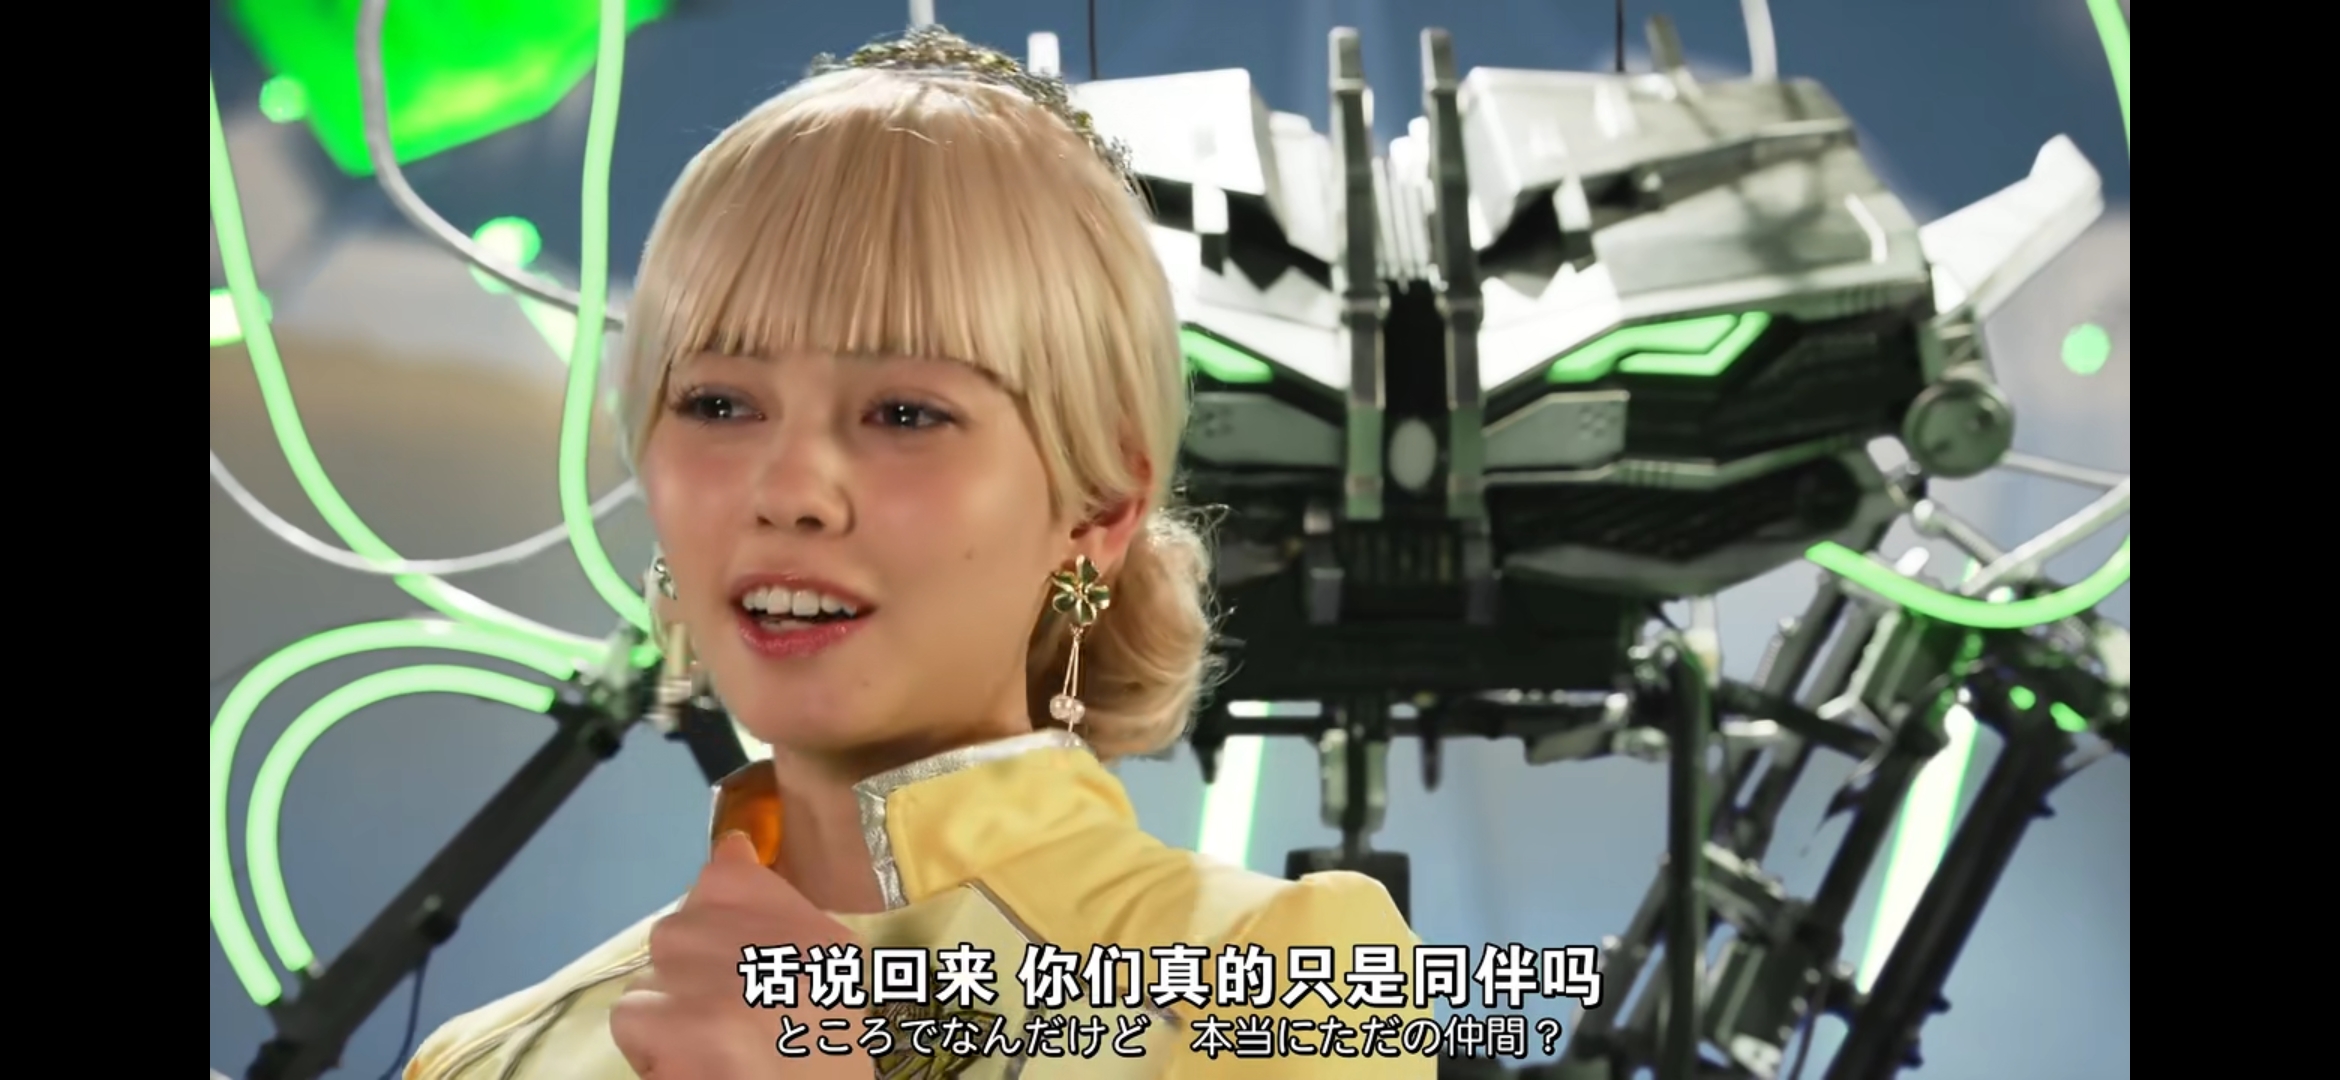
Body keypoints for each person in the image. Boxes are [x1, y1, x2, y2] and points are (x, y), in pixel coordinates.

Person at [405, 25, 1428, 1080]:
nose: (788, 492)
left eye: (904, 412)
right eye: (716, 402)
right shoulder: (489, 1060)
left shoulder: (1277, 976)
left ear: (1099, 508)